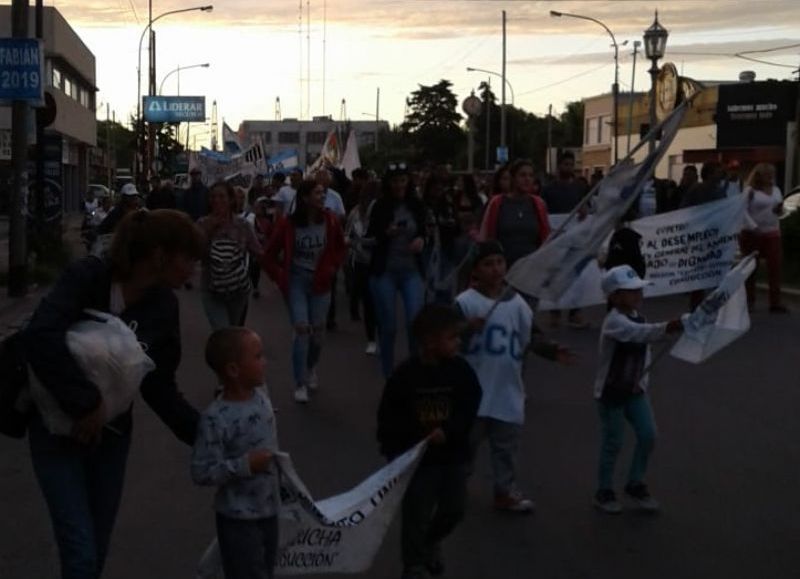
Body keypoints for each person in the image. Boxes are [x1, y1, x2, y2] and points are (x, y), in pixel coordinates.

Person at [23, 209, 203, 578]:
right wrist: (86, 404)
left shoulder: (164, 306)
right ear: (159, 255)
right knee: (81, 553)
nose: (194, 270)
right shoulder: (87, 277)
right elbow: (40, 337)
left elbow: (158, 385)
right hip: (55, 432)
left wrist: (210, 433)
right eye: (189, 259)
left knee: (95, 551)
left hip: (112, 439)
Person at [457, 241, 573, 513]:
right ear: (476, 270)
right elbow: (449, 337)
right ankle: (455, 488)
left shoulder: (518, 304)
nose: (495, 269)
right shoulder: (466, 303)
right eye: (488, 264)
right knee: (466, 447)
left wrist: (552, 351)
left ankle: (504, 490)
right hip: (474, 392)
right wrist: (467, 328)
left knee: (505, 447)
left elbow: (530, 336)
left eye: (499, 262)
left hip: (507, 389)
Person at [376, 304, 482, 579]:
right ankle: (414, 564)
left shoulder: (461, 371)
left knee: (454, 508)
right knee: (416, 515)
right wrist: (395, 451)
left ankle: (430, 543)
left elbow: (469, 407)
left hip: (453, 456)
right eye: (452, 337)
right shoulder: (405, 376)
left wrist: (449, 432)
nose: (458, 342)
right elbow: (389, 416)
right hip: (419, 461)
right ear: (430, 342)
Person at [593, 265, 683, 514]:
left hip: (635, 391)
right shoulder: (614, 322)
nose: (637, 295)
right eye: (631, 291)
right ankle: (604, 490)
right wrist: (671, 326)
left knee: (648, 435)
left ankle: (635, 482)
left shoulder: (638, 318)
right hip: (612, 393)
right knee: (613, 441)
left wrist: (675, 330)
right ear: (614, 296)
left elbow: (648, 340)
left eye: (639, 290)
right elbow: (640, 334)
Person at [192, 327, 280, 579]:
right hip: (238, 519)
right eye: (257, 357)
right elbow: (201, 471)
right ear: (233, 370)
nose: (264, 362)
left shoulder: (262, 397)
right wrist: (245, 465)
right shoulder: (215, 418)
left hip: (269, 510)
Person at [263, 179, 346, 403]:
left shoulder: (330, 220)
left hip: (321, 284)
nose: (322, 197)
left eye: (324, 193)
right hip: (297, 282)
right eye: (318, 193)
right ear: (305, 197)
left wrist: (332, 267)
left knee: (317, 335)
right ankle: (299, 382)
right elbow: (268, 255)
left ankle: (310, 368)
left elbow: (339, 248)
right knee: (302, 330)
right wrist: (280, 277)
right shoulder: (288, 224)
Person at [367, 163, 427, 378]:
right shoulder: (380, 206)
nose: (400, 185)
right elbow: (371, 236)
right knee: (389, 326)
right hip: (386, 271)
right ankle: (388, 374)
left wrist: (421, 239)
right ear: (388, 184)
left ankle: (414, 372)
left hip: (411, 270)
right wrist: (387, 233)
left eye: (403, 180)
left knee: (414, 322)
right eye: (395, 181)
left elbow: (425, 230)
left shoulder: (417, 206)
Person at [198, 181, 263, 330]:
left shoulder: (242, 225)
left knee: (234, 331)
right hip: (211, 288)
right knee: (223, 330)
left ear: (231, 200)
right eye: (213, 197)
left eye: (221, 196)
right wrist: (208, 230)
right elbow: (193, 253)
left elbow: (258, 252)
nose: (217, 201)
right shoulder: (202, 223)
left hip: (237, 289)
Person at [541, 151, 590, 329]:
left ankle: (574, 312)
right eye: (565, 164)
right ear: (559, 166)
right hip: (555, 237)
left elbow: (584, 205)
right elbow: (543, 210)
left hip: (574, 237)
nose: (568, 168)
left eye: (571, 165)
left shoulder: (578, 187)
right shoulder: (548, 189)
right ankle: (555, 312)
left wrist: (584, 209)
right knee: (556, 272)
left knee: (576, 274)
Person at [479, 159, 550, 267]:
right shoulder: (497, 203)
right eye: (522, 175)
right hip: (503, 268)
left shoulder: (538, 204)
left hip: (531, 267)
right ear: (513, 178)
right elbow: (487, 236)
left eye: (531, 176)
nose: (527, 179)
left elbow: (545, 237)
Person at [741, 163, 787, 313]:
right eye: (767, 174)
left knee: (775, 267)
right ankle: (749, 300)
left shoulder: (776, 190)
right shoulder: (750, 191)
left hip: (772, 232)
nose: (770, 177)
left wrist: (780, 210)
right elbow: (742, 211)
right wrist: (753, 227)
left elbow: (780, 210)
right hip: (752, 233)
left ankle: (775, 302)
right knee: (750, 268)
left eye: (772, 174)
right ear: (759, 175)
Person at [345, 178, 379, 355]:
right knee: (369, 300)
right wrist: (353, 244)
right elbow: (347, 235)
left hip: (380, 261)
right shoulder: (355, 213)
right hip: (362, 261)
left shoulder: (384, 213)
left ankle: (377, 335)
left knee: (377, 300)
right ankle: (371, 338)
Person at [92, 183, 143, 257]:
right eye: (129, 197)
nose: (133, 199)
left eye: (134, 196)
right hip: (118, 248)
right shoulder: (115, 213)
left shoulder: (139, 212)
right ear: (124, 198)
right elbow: (103, 228)